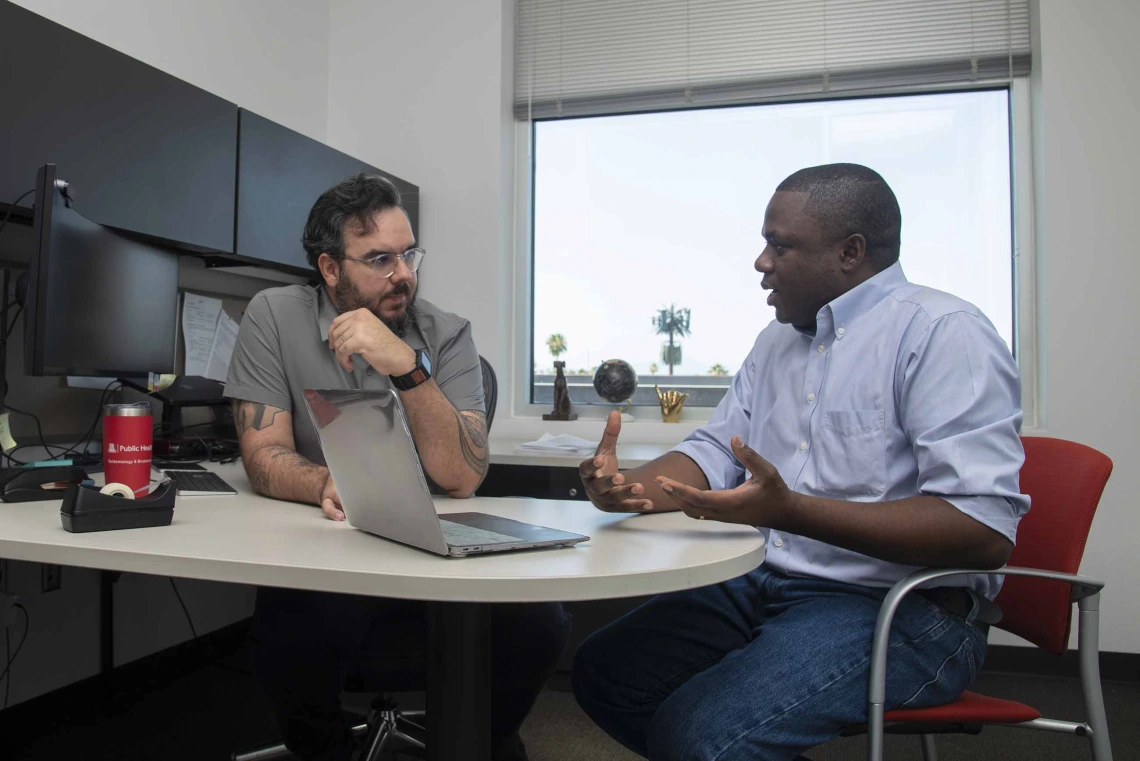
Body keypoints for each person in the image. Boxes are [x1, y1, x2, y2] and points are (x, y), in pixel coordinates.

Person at [571, 163, 1028, 761]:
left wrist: (791, 512)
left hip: (905, 611)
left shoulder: (944, 334)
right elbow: (716, 450)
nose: (761, 262)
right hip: (769, 581)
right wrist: (630, 488)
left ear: (850, 252)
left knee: (700, 734)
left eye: (779, 245)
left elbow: (982, 531)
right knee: (605, 673)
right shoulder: (779, 339)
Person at [224, 173, 567, 761]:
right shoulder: (274, 316)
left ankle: (478, 740)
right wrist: (328, 483)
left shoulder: (448, 333)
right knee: (290, 633)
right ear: (330, 269)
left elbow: (462, 475)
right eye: (380, 259)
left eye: (408, 254)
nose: (404, 273)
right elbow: (264, 455)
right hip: (331, 548)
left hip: (437, 552)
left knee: (541, 628)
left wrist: (406, 367)